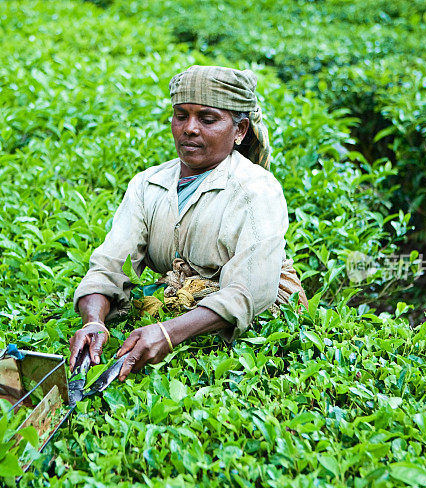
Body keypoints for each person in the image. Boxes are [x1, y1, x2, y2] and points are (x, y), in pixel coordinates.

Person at [69, 65, 306, 381]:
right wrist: (93, 321)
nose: (189, 129)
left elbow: (247, 292)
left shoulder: (256, 190)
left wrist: (167, 333)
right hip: (182, 308)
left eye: (207, 120)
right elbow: (109, 266)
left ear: (240, 130)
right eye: (181, 116)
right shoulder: (148, 184)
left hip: (255, 322)